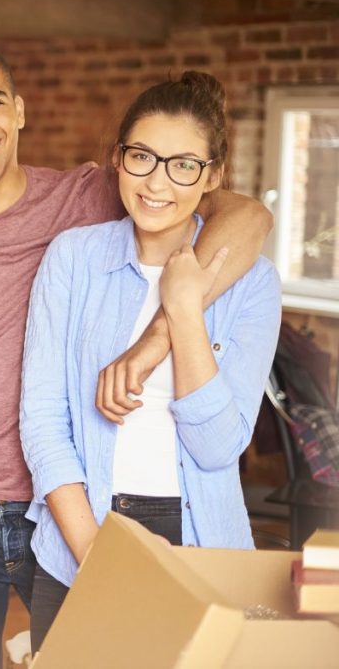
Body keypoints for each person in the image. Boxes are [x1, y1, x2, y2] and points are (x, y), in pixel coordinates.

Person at [0, 40, 272, 669]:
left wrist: (155, 341)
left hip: (58, 505)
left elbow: (246, 216)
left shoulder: (89, 197)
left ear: (21, 111)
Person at [19, 70, 282, 653]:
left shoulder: (252, 284)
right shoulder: (73, 259)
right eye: (142, 156)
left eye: (183, 164)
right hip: (82, 538)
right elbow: (41, 420)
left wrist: (185, 309)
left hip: (202, 545)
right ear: (117, 159)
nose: (157, 181)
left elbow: (218, 448)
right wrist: (95, 556)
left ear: (212, 177)